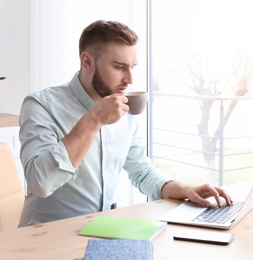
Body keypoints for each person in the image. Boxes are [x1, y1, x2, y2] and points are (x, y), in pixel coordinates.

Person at [18, 20, 232, 227]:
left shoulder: (124, 105)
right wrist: (93, 120)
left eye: (132, 67)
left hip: (100, 230)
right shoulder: (41, 105)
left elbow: (140, 169)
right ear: (87, 62)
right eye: (120, 67)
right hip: (45, 236)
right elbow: (40, 183)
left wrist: (183, 188)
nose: (129, 79)